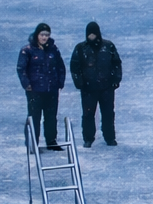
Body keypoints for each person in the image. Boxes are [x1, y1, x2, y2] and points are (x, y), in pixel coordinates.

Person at [69, 21, 123, 147]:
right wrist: (79, 83)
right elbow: (75, 67)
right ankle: (88, 138)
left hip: (106, 88)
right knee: (88, 114)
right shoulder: (80, 48)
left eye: (94, 34)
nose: (92, 37)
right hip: (88, 88)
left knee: (108, 113)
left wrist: (116, 80)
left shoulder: (108, 46)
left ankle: (110, 137)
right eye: (90, 35)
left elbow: (116, 63)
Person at [16, 22, 66, 151]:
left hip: (51, 89)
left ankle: (51, 141)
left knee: (51, 117)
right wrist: (27, 85)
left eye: (47, 35)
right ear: (37, 35)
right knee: (34, 118)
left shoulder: (53, 49)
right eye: (42, 35)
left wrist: (60, 82)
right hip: (35, 90)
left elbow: (60, 67)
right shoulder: (27, 50)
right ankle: (32, 144)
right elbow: (21, 69)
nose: (44, 37)